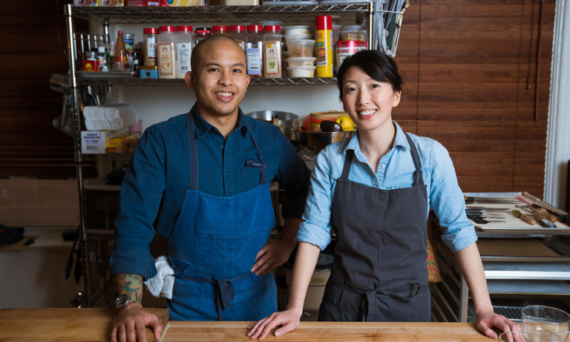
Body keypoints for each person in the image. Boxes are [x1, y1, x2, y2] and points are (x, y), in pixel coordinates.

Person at [247, 50, 520, 340]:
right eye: (351, 89)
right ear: (343, 101)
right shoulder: (332, 160)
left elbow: (459, 231)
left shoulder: (430, 156)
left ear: (396, 95)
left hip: (408, 308)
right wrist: (294, 308)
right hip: (343, 305)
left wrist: (484, 308)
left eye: (374, 85)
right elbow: (313, 232)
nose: (363, 99)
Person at [109, 35, 311, 342]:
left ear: (247, 79)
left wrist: (287, 242)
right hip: (187, 301)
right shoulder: (161, 141)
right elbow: (133, 223)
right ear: (191, 79)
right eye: (213, 70)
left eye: (236, 71)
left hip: (258, 297)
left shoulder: (269, 139)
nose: (226, 81)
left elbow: (303, 191)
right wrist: (129, 303)